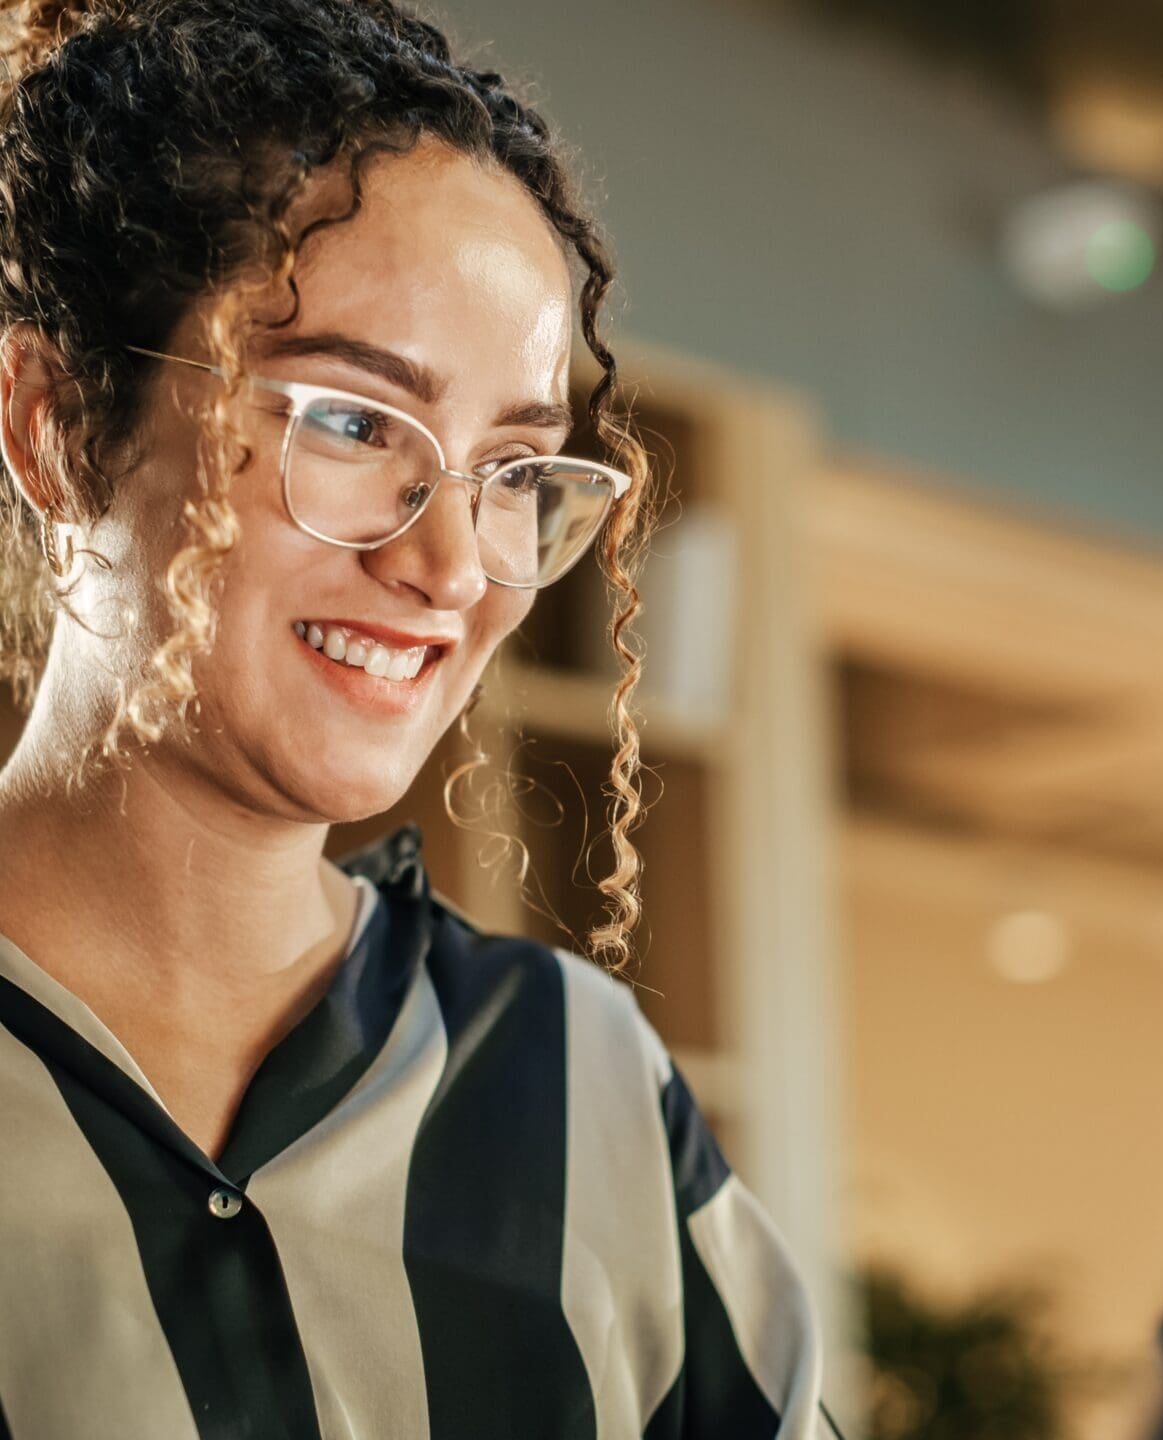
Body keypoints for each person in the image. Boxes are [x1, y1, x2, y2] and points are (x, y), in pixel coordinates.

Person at [0, 1, 844, 1435]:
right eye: (350, 419)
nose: (451, 565)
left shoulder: (580, 1083)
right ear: (57, 423)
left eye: (513, 466)